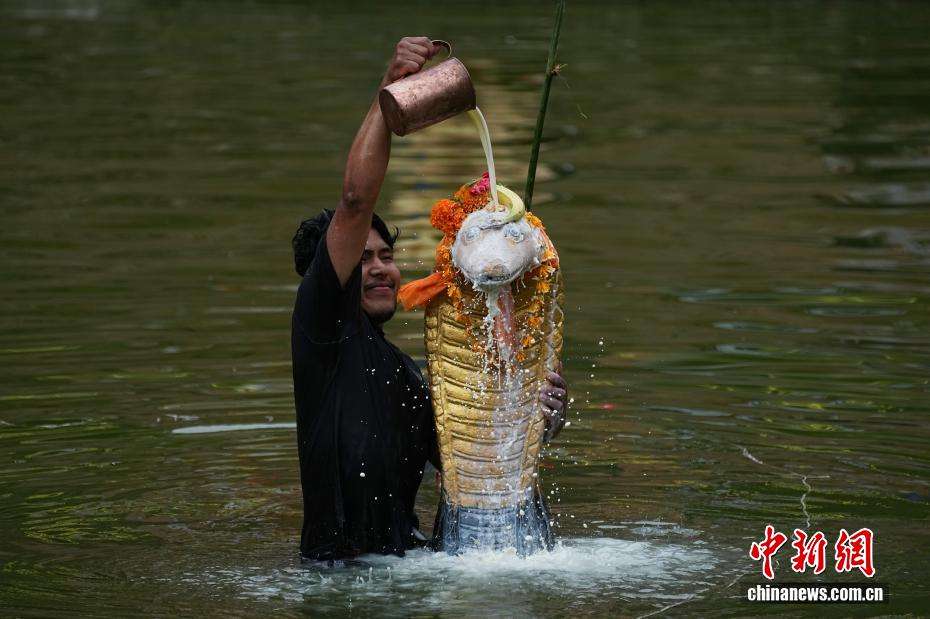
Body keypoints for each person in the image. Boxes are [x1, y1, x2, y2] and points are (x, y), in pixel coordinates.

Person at [291, 37, 568, 562]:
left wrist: (539, 417)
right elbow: (355, 201)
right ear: (328, 278)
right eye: (362, 259)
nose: (380, 268)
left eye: (386, 256)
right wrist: (388, 91)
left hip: (408, 565)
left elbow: (469, 465)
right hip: (338, 570)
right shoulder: (321, 332)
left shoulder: (406, 374)